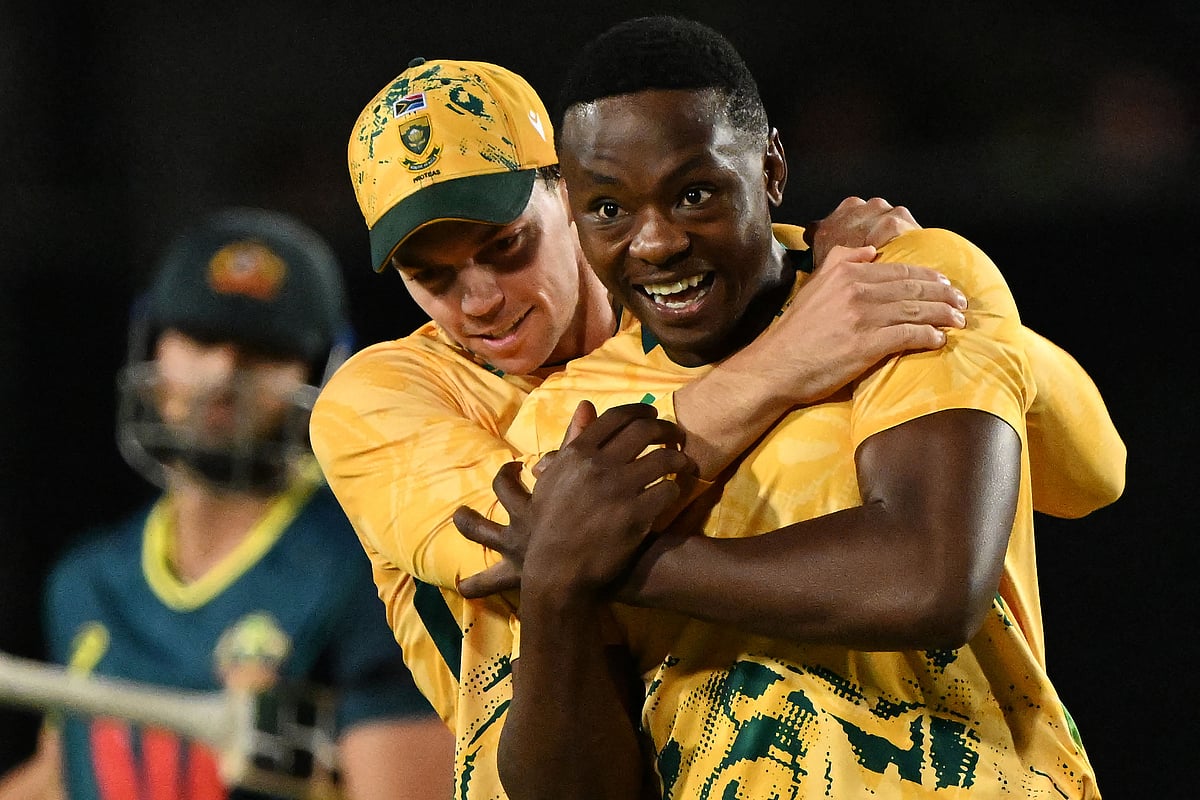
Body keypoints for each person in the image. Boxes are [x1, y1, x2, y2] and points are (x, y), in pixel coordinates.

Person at [310, 56, 1123, 799]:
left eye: (506, 246)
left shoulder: (835, 291)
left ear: (567, 189)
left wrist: (963, 305)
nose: (479, 298)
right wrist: (792, 361)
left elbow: (1092, 476)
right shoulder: (385, 394)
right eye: (433, 276)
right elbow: (512, 539)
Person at [0, 208, 454, 800]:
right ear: (154, 347)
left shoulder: (373, 574)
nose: (222, 372)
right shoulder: (87, 581)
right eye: (200, 338)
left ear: (317, 374)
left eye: (263, 351)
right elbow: (70, 772)